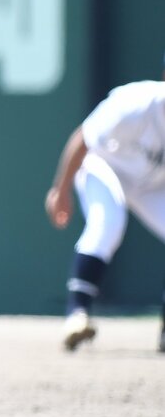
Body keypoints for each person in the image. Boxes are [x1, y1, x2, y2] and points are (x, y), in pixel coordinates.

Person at [44, 55, 165, 353]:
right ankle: (77, 314)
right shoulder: (137, 104)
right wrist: (61, 190)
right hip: (103, 166)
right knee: (108, 222)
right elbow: (82, 139)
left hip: (150, 184)